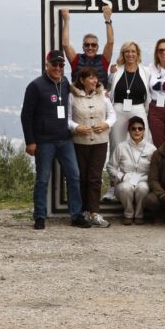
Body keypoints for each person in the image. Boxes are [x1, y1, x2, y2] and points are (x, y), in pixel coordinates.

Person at [20, 50, 90, 230]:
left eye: (61, 65)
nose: (58, 68)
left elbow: (83, 87)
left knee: (74, 176)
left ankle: (76, 215)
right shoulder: (35, 86)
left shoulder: (65, 83)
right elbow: (26, 116)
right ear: (47, 65)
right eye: (54, 65)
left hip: (65, 139)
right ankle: (40, 216)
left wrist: (101, 92)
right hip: (44, 141)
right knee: (42, 179)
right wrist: (30, 141)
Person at [69, 66, 115, 228]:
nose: (95, 81)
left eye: (96, 78)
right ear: (82, 80)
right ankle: (82, 211)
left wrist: (105, 124)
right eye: (90, 78)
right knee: (81, 177)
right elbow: (67, 119)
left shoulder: (103, 95)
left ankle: (95, 212)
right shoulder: (72, 96)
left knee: (95, 178)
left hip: (100, 142)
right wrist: (76, 127)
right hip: (80, 143)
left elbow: (112, 114)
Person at [108, 116, 156, 224]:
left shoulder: (152, 149)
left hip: (144, 180)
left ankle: (139, 214)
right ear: (129, 131)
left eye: (140, 128)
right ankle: (128, 213)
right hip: (124, 181)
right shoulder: (121, 147)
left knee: (143, 188)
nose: (137, 131)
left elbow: (155, 171)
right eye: (133, 128)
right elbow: (111, 167)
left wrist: (145, 179)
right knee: (126, 188)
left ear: (144, 130)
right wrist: (122, 176)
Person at [108, 41, 151, 152]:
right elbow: (108, 87)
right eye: (127, 51)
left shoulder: (145, 71)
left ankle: (141, 167)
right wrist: (111, 74)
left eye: (133, 51)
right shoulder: (116, 70)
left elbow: (149, 92)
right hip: (119, 108)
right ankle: (115, 167)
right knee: (116, 142)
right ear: (123, 53)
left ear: (137, 54)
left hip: (138, 108)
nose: (130, 54)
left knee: (143, 140)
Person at [61, 5, 114, 88]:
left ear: (97, 47)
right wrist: (66, 21)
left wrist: (108, 20)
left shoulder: (104, 60)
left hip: (98, 98)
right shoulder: (76, 60)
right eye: (87, 45)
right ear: (83, 47)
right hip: (80, 98)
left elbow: (110, 42)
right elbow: (65, 44)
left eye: (93, 45)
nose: (90, 47)